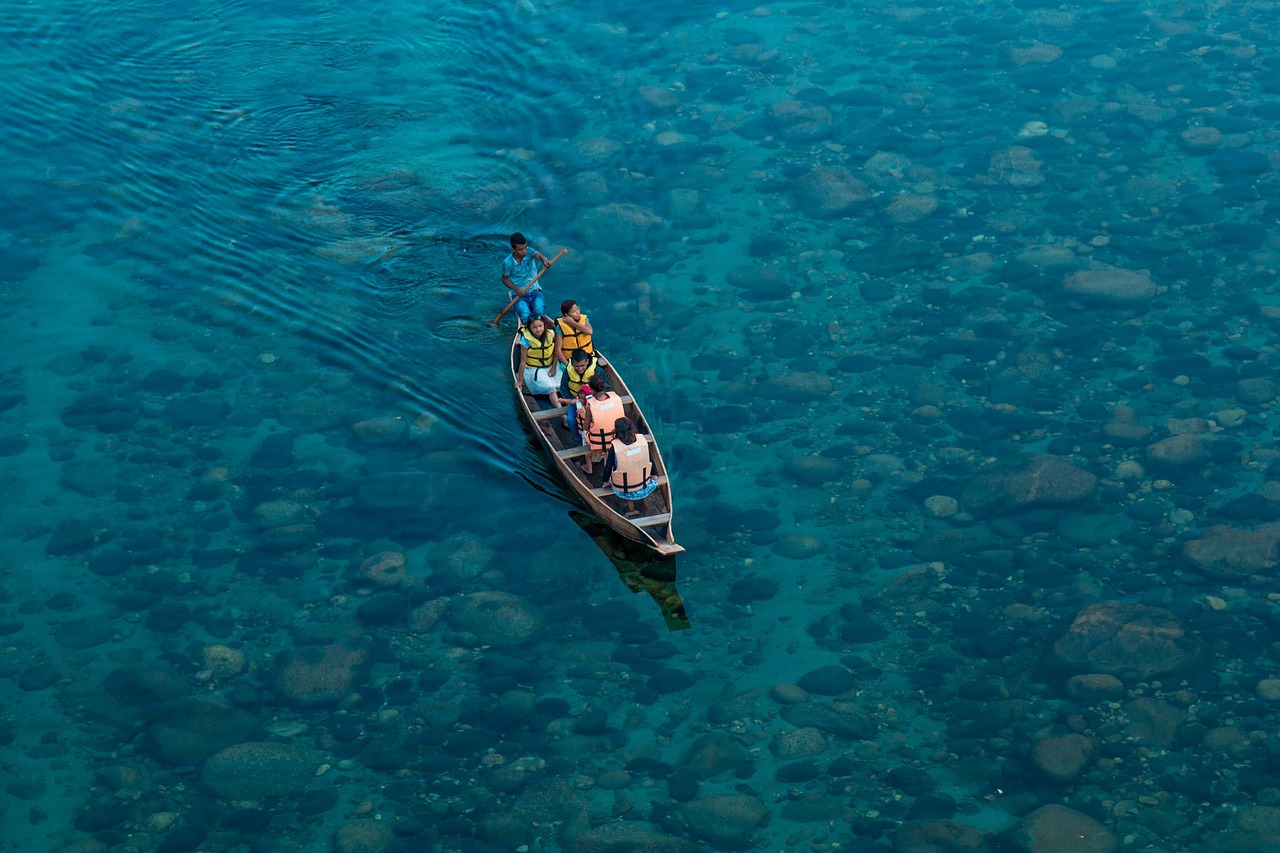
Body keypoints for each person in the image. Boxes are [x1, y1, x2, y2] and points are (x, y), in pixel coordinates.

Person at [601, 416, 658, 517]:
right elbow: (650, 459)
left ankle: (632, 509)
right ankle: (645, 501)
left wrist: (605, 481)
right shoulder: (642, 441)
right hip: (644, 484)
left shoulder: (615, 447)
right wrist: (654, 474)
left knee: (620, 469)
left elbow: (608, 466)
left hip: (625, 489)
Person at [501, 232, 551, 326]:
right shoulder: (507, 263)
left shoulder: (529, 252)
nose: (524, 251)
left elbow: (540, 256)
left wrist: (545, 260)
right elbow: (504, 279)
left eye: (525, 247)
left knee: (539, 310)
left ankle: (541, 329)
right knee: (525, 315)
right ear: (513, 249)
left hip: (534, 291)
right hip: (519, 295)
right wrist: (516, 289)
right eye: (520, 249)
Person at [514, 315, 562, 407]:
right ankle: (563, 415)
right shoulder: (526, 340)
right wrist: (520, 380)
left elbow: (556, 352)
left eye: (540, 326)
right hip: (535, 368)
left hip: (551, 365)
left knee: (563, 383)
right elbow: (523, 361)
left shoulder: (551, 334)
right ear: (530, 328)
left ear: (544, 325)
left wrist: (554, 368)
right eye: (534, 327)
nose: (538, 329)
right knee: (550, 387)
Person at [579, 373, 621, 475]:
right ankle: (609, 466)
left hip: (598, 441)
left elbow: (586, 427)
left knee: (584, 433)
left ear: (592, 391)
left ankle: (589, 467)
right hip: (616, 437)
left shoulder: (590, 405)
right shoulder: (616, 398)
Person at [559, 348, 603, 442]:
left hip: (594, 400)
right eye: (576, 366)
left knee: (597, 418)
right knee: (570, 419)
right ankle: (578, 439)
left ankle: (596, 437)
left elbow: (605, 387)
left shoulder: (597, 370)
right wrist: (574, 401)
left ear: (587, 361)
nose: (580, 369)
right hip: (576, 400)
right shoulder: (568, 371)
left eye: (582, 365)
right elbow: (564, 388)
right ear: (573, 363)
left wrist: (597, 400)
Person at [554, 300, 594, 364]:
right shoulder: (560, 327)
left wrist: (573, 323)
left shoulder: (584, 319)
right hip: (570, 361)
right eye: (573, 312)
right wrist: (568, 365)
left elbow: (589, 331)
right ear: (566, 315)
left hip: (587, 358)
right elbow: (558, 351)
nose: (577, 313)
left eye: (577, 309)